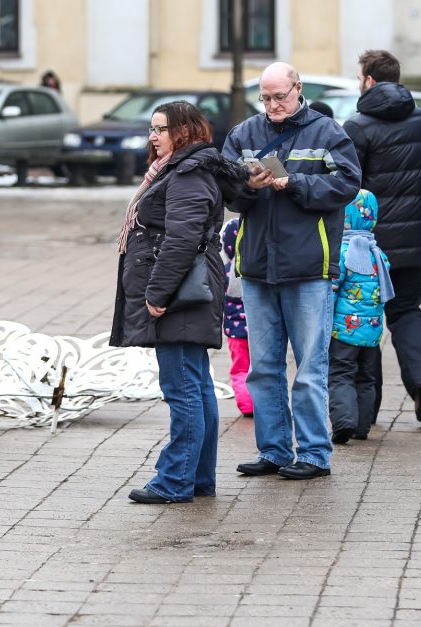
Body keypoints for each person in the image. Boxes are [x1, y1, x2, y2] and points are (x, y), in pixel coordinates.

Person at [221, 62, 361, 480]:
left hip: (309, 269)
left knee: (309, 369)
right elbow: (226, 190)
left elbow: (347, 185)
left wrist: (293, 183)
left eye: (279, 96)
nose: (273, 105)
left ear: (298, 89)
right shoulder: (244, 134)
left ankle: (315, 454)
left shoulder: (328, 132)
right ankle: (275, 450)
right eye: (265, 98)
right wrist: (249, 187)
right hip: (259, 268)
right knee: (263, 368)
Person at [110, 100, 245, 504]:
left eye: (160, 129)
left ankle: (175, 480)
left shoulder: (186, 174)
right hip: (188, 288)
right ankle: (198, 478)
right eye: (151, 129)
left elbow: (182, 239)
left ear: (183, 132)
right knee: (196, 385)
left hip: (182, 292)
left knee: (183, 387)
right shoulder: (181, 168)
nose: (153, 136)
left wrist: (157, 293)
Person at [342, 50, 421, 422]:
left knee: (365, 322)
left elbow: (351, 188)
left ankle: (367, 410)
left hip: (369, 247)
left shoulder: (357, 126)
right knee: (405, 312)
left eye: (358, 78)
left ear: (368, 80)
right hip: (414, 242)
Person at [329, 189, 393, 443]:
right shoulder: (378, 254)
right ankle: (362, 426)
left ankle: (344, 422)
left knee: (341, 374)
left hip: (343, 331)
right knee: (366, 377)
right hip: (372, 330)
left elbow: (332, 290)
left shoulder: (342, 252)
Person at [220, 217, 253, 417]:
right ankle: (265, 403)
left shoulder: (225, 271)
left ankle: (247, 406)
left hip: (235, 332)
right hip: (261, 329)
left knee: (240, 368)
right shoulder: (263, 270)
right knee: (263, 367)